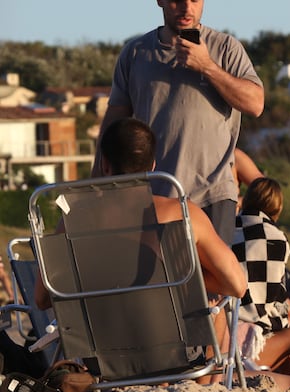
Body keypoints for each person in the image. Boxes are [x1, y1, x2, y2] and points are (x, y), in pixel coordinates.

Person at [93, 0, 264, 245]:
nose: (186, 8)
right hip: (152, 197)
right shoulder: (135, 53)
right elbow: (112, 127)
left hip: (212, 195)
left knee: (212, 283)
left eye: (194, 0)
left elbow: (256, 104)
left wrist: (207, 66)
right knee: (157, 282)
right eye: (176, 0)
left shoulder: (225, 48)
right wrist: (95, 187)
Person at [35, 118, 247, 311]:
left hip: (99, 349)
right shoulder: (182, 213)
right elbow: (237, 286)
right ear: (153, 166)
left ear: (105, 165)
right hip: (171, 347)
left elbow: (42, 299)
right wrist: (176, 275)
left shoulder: (75, 220)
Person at [230, 177, 290, 381]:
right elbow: (273, 299)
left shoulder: (225, 229)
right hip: (245, 343)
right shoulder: (276, 238)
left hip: (223, 330)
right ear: (277, 206)